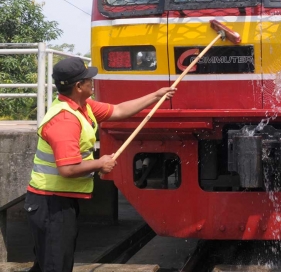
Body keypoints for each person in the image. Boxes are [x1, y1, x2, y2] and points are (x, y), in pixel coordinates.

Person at [24, 57, 176, 272]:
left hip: (57, 201)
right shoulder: (65, 120)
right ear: (78, 86)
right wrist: (100, 163)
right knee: (55, 264)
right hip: (51, 204)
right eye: (88, 79)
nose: (92, 82)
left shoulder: (82, 106)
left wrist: (156, 95)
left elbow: (119, 111)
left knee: (48, 262)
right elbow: (67, 169)